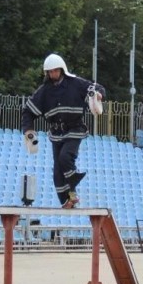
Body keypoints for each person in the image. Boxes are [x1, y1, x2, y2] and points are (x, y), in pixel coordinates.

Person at [21, 53, 104, 208]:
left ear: (61, 69)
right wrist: (29, 130)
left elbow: (97, 88)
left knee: (65, 158)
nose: (53, 74)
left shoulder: (76, 83)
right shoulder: (44, 91)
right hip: (56, 133)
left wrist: (98, 95)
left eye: (55, 71)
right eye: (50, 72)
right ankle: (69, 199)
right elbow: (28, 111)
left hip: (74, 129)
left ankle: (74, 180)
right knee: (58, 174)